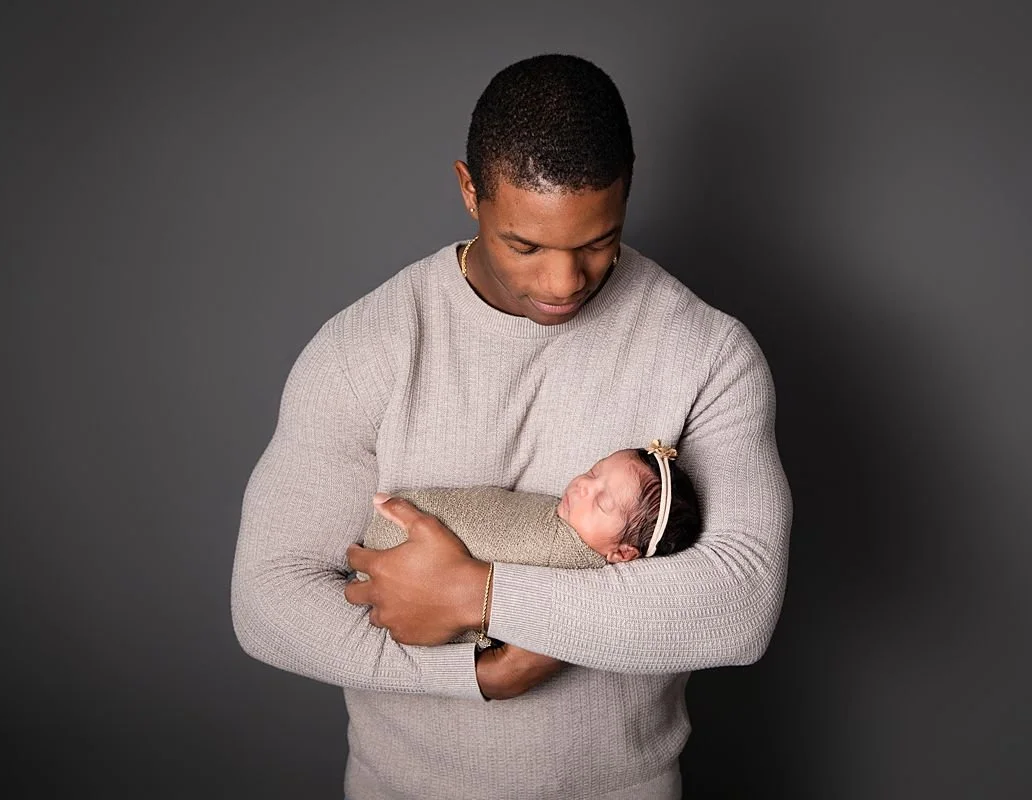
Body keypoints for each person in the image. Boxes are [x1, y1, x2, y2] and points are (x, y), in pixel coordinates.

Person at [231, 53, 792, 800]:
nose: (564, 283)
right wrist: (477, 677)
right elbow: (267, 602)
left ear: (628, 187)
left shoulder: (708, 352)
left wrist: (481, 597)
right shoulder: (365, 349)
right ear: (470, 190)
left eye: (597, 241)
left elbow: (739, 606)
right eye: (525, 246)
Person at [357, 442, 703, 647]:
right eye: (595, 472)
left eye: (603, 503)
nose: (584, 486)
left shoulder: (567, 562)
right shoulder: (555, 519)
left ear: (623, 554)